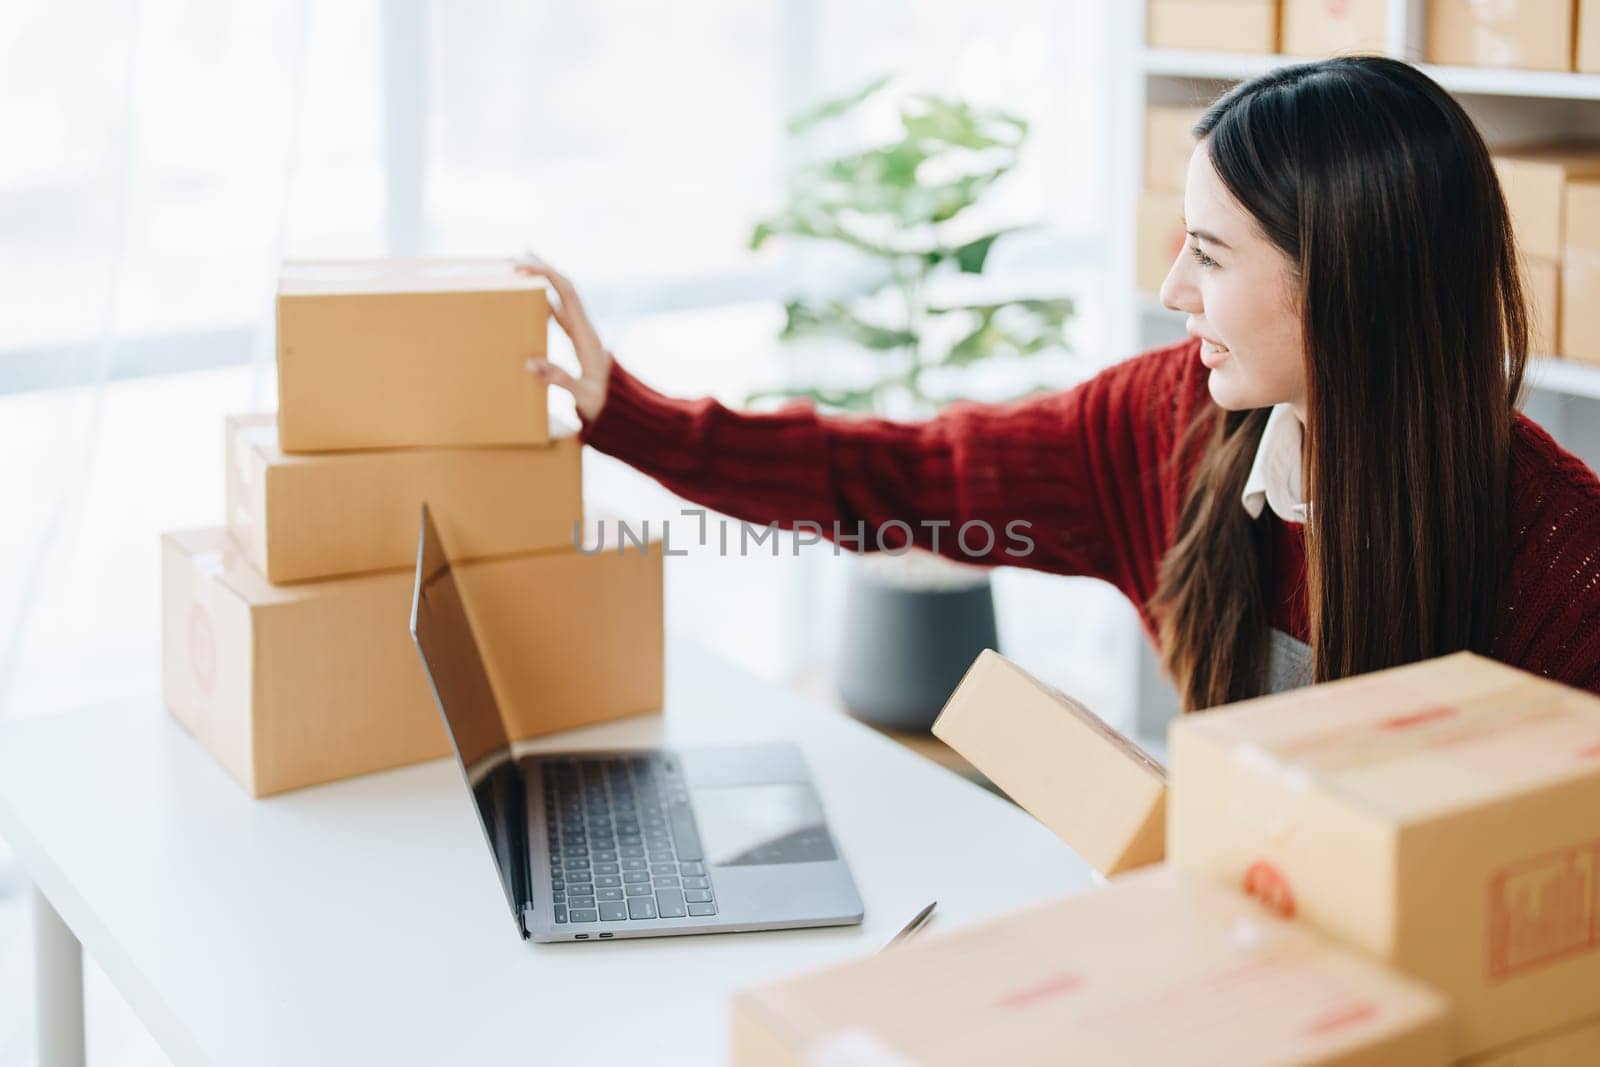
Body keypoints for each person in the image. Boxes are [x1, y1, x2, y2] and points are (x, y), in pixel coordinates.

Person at [518, 56, 1600, 712]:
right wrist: (635, 416)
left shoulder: (1566, 564)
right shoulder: (1164, 422)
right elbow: (899, 477)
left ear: (1348, 281)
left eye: (1212, 257)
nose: (1171, 285)